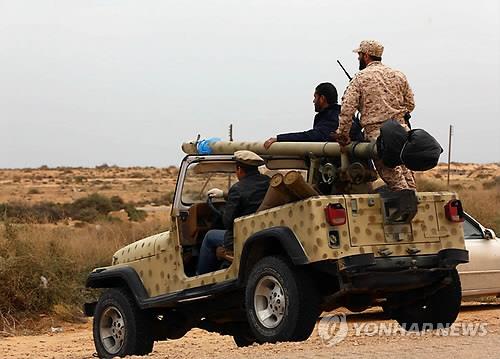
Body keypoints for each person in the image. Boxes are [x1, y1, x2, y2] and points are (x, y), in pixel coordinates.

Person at [335, 40, 416, 191]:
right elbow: (410, 104)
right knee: (408, 179)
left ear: (365, 55)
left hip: (378, 136)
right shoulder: (398, 75)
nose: (358, 58)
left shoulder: (360, 78)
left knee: (396, 182)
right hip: (403, 133)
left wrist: (342, 135)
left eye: (359, 55)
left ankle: (407, 208)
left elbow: (347, 111)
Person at [196, 150, 270, 275]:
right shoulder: (267, 182)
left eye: (236, 170)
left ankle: (200, 277)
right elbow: (250, 195)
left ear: (240, 169)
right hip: (262, 231)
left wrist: (224, 211)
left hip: (240, 235)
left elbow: (227, 222)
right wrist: (224, 195)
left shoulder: (237, 188)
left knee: (209, 236)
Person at [264, 83, 363, 149]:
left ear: (322, 99)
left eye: (315, 97)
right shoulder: (345, 116)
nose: (313, 101)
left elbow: (313, 136)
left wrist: (279, 139)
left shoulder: (331, 117)